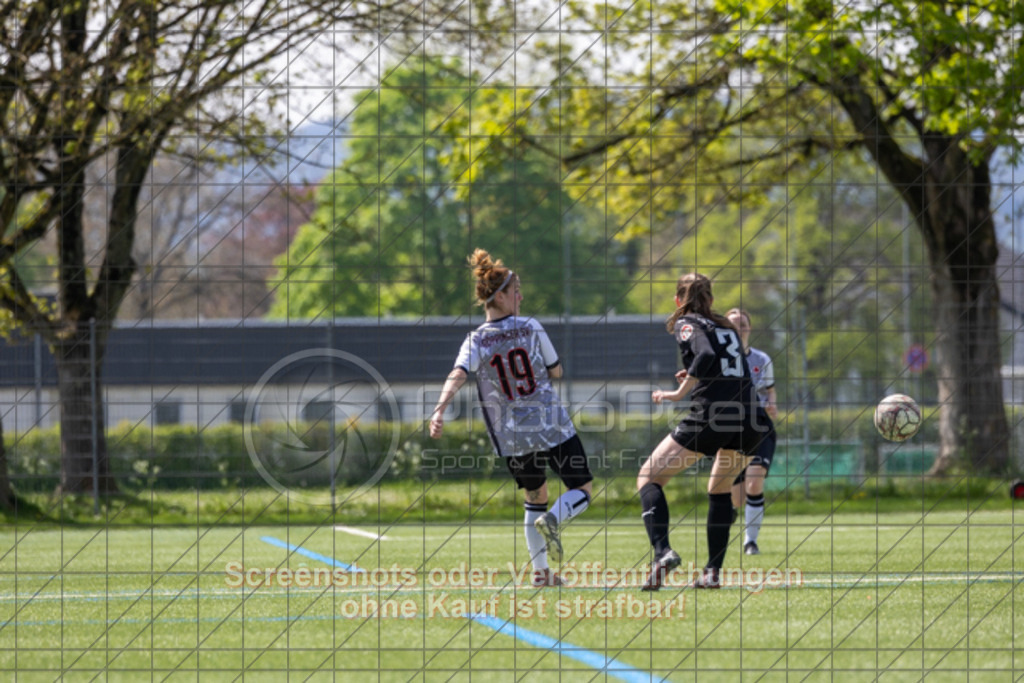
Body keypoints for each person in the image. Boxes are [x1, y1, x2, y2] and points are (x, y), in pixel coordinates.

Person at [429, 248, 593, 587]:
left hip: (511, 434)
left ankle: (541, 573)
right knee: (582, 488)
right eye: (515, 291)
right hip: (550, 424)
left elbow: (458, 373)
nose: (520, 296)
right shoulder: (531, 326)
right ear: (499, 296)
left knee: (534, 496)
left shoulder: (476, 339)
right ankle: (555, 521)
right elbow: (556, 371)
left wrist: (439, 409)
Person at [638, 273, 773, 590]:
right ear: (711, 299)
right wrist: (697, 374)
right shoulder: (725, 325)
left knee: (648, 477)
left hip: (714, 415)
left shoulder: (688, 323)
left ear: (678, 301)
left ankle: (662, 553)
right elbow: (726, 364)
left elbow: (707, 355)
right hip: (752, 417)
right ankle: (712, 573)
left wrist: (678, 392)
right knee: (720, 488)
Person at [725, 308, 778, 556]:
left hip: (760, 428)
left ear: (749, 328)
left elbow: (769, 389)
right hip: (732, 432)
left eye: (743, 323)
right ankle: (735, 511)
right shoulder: (720, 361)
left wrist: (772, 403)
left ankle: (750, 542)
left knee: (754, 483)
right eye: (734, 324)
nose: (739, 327)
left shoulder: (761, 359)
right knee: (737, 498)